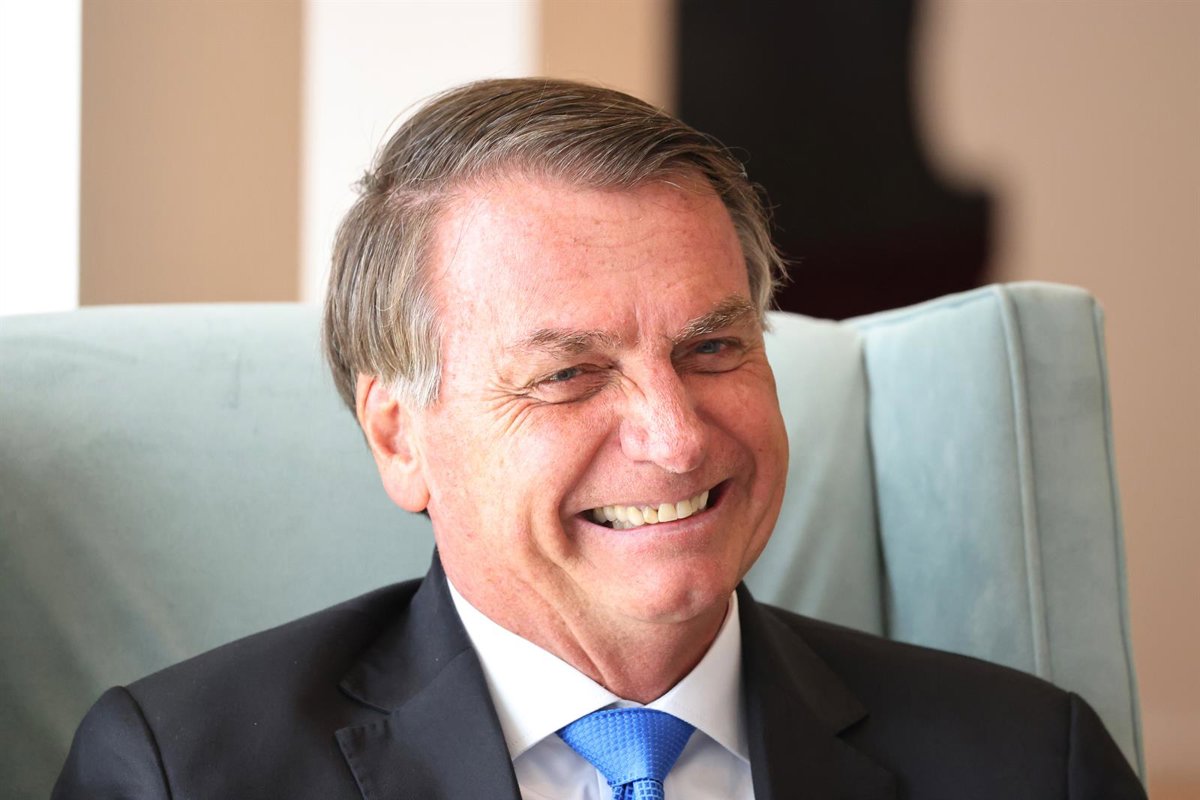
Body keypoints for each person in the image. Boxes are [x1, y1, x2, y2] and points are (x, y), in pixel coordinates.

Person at [53, 78, 1144, 799]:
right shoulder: (182, 772)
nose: (676, 438)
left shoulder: (1027, 764)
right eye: (569, 374)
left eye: (713, 347)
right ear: (400, 438)